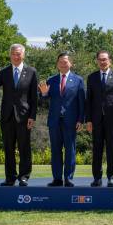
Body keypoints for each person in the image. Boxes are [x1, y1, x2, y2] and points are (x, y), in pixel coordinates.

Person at [0, 43, 39, 187]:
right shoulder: (3, 72)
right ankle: (10, 178)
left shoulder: (31, 71)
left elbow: (34, 97)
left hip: (24, 117)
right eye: (13, 54)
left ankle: (24, 177)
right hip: (7, 117)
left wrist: (32, 116)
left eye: (19, 54)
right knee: (8, 149)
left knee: (24, 148)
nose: (16, 56)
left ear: (23, 55)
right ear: (10, 55)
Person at [38, 52, 85, 187]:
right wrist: (44, 93)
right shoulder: (51, 80)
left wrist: (80, 120)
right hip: (54, 121)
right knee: (55, 150)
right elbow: (43, 99)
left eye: (65, 62)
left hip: (71, 121)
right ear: (57, 64)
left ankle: (68, 178)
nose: (63, 64)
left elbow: (82, 101)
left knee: (70, 150)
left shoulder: (78, 80)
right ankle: (57, 179)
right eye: (60, 62)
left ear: (70, 63)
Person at [86, 50, 113, 187]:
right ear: (97, 61)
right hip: (96, 119)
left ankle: (111, 177)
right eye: (100, 59)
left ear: (110, 61)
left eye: (105, 59)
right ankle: (97, 178)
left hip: (112, 119)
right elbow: (88, 100)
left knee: (111, 149)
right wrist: (88, 120)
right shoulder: (92, 77)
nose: (102, 62)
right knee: (97, 149)